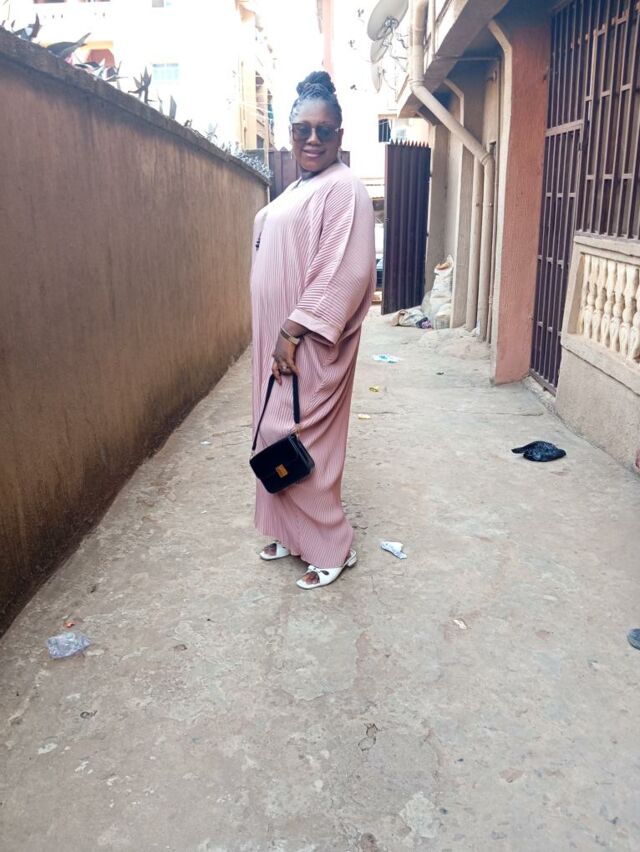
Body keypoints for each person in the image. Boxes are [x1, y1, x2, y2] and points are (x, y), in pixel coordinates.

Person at [250, 71, 375, 590]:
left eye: (324, 130)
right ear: (290, 134)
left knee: (299, 436)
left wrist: (292, 330)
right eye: (303, 130)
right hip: (278, 340)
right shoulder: (301, 186)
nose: (313, 139)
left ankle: (331, 546)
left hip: (306, 342)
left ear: (340, 135)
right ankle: (291, 532)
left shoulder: (344, 188)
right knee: (272, 433)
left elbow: (346, 272)